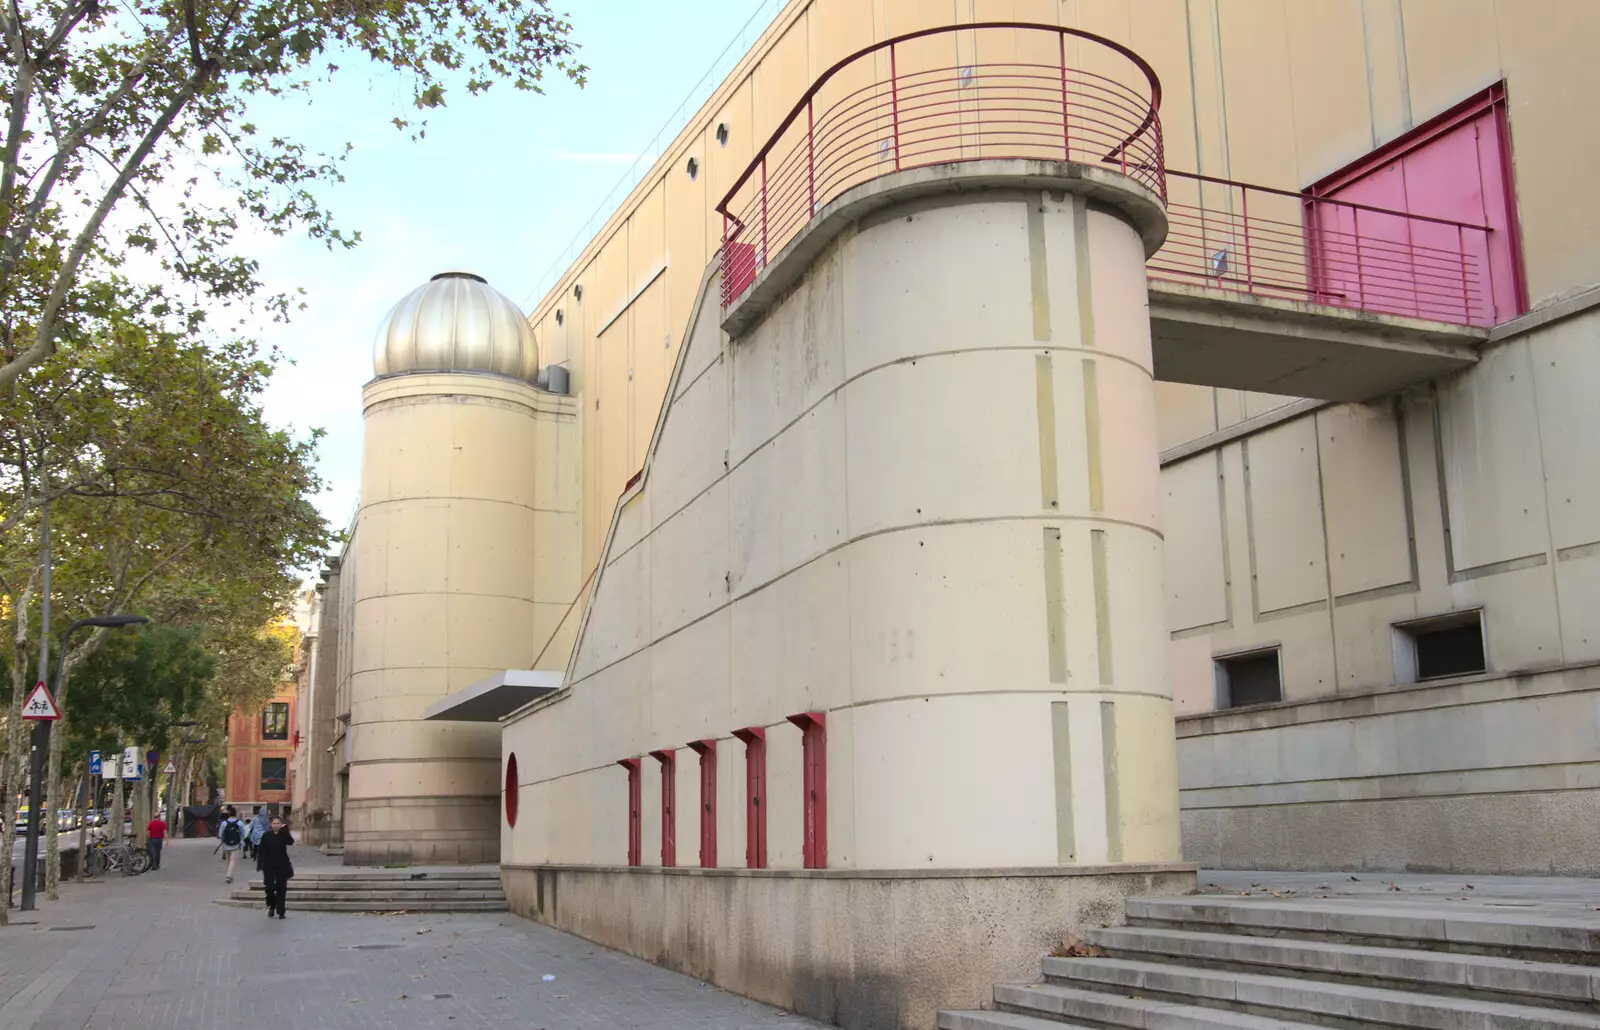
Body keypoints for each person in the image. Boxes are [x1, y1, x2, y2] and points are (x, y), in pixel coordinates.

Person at [255, 815, 294, 919]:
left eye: (278, 823)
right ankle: (272, 906)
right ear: (270, 825)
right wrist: (259, 864)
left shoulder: (283, 835)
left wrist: (286, 830)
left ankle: (281, 911)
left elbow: (290, 842)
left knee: (281, 888)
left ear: (281, 824)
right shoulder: (266, 835)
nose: (276, 825)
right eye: (274, 823)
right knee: (270, 888)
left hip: (282, 865)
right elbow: (261, 851)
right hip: (269, 865)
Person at [216, 805, 245, 884]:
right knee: (233, 860)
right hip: (236, 844)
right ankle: (229, 875)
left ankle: (228, 875)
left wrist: (223, 840)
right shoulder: (239, 823)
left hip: (226, 844)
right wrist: (241, 841)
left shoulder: (224, 823)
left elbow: (220, 834)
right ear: (235, 814)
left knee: (228, 860)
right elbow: (243, 833)